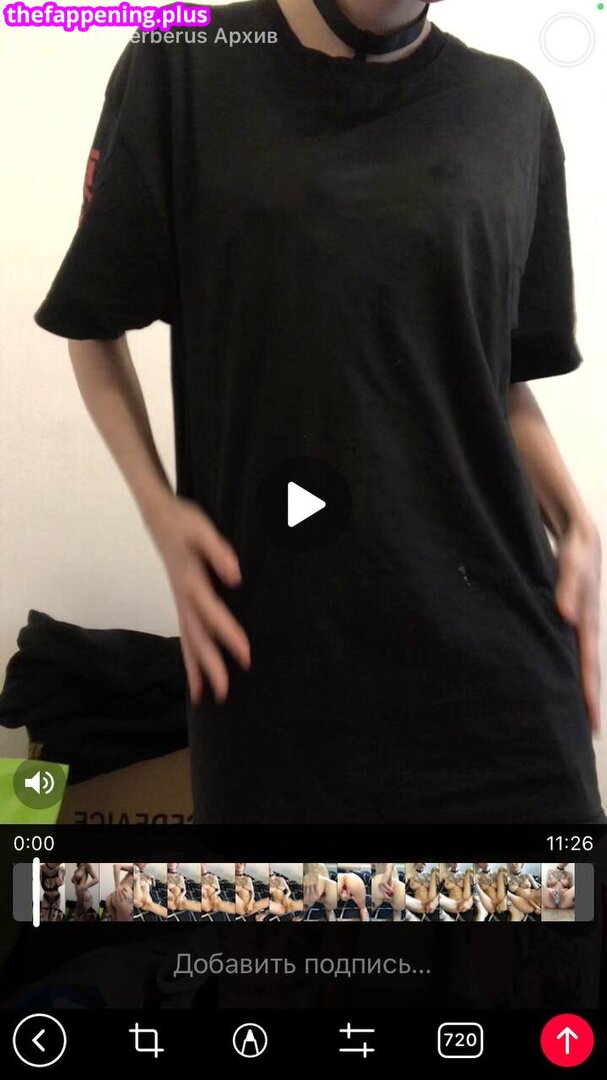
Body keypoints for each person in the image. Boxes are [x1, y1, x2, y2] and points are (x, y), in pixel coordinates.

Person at [34, 0, 605, 825]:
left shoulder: (509, 107)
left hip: (501, 684)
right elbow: (91, 321)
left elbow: (500, 382)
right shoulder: (182, 63)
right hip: (280, 681)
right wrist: (161, 513)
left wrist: (576, 520)